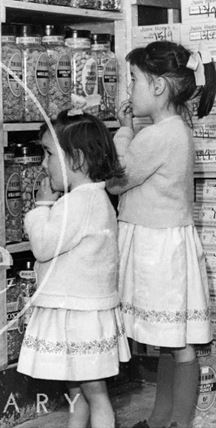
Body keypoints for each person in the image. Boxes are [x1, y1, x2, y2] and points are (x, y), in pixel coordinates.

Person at [107, 41, 216, 428]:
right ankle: (161, 420)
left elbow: (118, 180)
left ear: (157, 87)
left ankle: (178, 423)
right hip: (162, 242)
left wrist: (122, 133)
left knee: (180, 345)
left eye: (133, 80)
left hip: (158, 248)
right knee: (171, 339)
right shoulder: (174, 129)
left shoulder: (157, 136)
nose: (128, 91)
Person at [17, 110, 131, 428]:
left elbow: (43, 246)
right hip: (85, 311)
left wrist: (41, 208)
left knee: (93, 392)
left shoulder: (76, 204)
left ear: (76, 158)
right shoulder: (97, 199)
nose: (43, 163)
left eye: (49, 153)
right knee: (80, 390)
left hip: (77, 313)